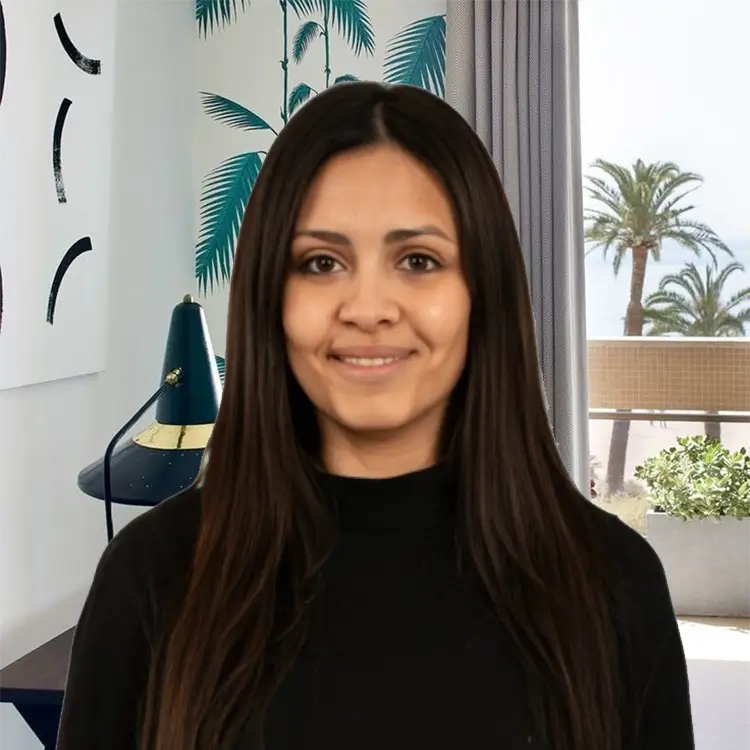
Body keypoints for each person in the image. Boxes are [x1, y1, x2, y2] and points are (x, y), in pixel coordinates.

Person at [56, 82, 693, 750]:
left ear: (482, 293)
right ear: (272, 297)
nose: (367, 309)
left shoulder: (612, 584)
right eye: (321, 263)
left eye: (418, 260)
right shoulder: (151, 578)